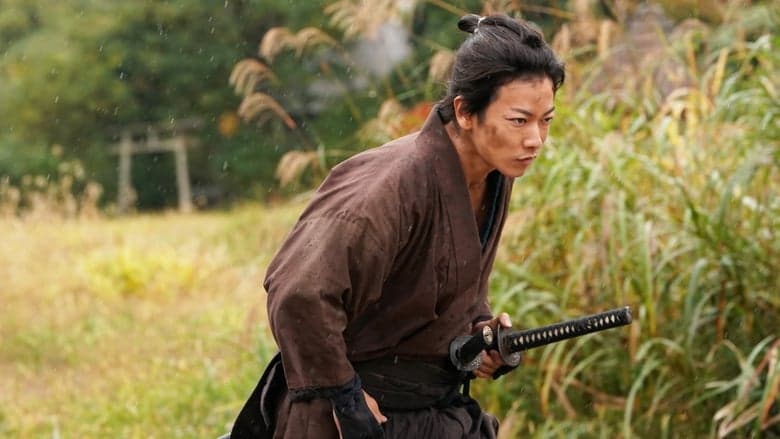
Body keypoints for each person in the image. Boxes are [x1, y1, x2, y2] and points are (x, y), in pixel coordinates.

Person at [228, 12, 565, 439]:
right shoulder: (393, 184)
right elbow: (300, 294)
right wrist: (345, 395)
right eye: (519, 120)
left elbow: (437, 293)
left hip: (430, 414)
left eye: (546, 120)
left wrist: (480, 337)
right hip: (351, 421)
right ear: (465, 112)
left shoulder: (494, 173)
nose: (535, 139)